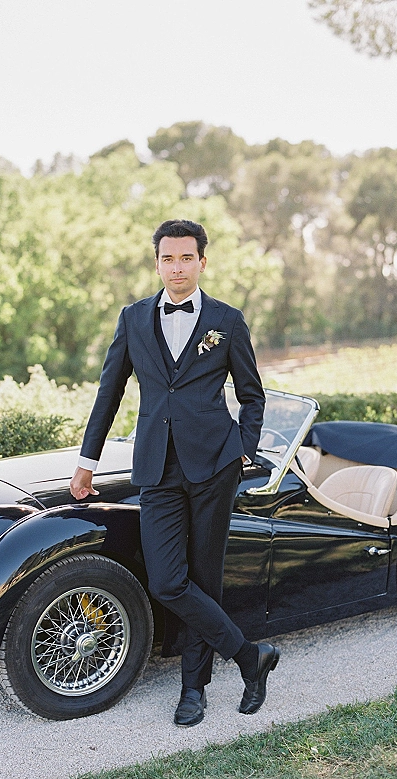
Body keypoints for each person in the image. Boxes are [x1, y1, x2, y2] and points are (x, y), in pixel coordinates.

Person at [70, 219, 279, 727]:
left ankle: (193, 689)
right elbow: (109, 392)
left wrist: (243, 450)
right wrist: (86, 462)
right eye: (168, 258)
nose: (177, 267)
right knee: (168, 580)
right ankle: (250, 656)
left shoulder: (227, 321)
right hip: (156, 467)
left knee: (205, 577)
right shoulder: (134, 318)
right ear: (157, 261)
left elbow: (253, 395)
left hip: (214, 466)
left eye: (187, 258)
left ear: (202, 262)